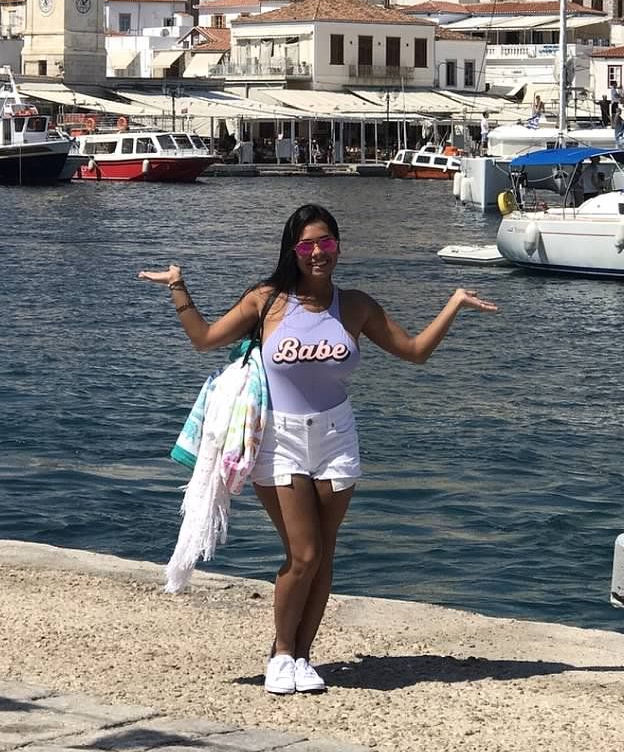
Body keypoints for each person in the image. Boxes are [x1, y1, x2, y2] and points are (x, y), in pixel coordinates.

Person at [139, 205, 497, 697]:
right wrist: (179, 286)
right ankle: (281, 654)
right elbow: (203, 340)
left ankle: (302, 657)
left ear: (338, 247)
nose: (317, 253)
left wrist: (454, 302)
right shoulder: (266, 301)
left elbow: (414, 351)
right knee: (303, 555)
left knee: (324, 554)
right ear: (293, 250)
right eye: (307, 245)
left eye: (326, 243)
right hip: (278, 439)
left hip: (336, 438)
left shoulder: (355, 307)